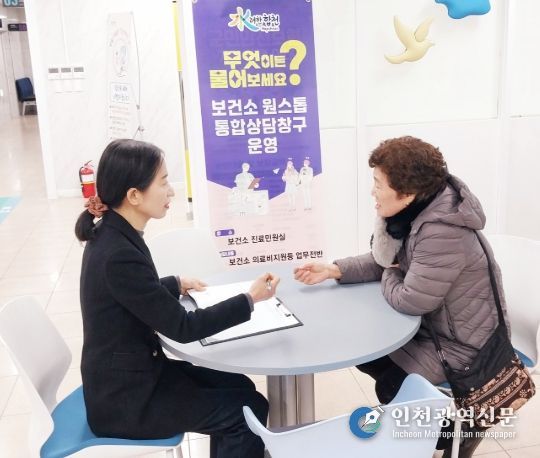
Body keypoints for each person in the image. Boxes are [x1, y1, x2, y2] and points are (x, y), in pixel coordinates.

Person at [294, 136, 510, 457]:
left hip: (465, 347)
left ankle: (457, 433)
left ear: (406, 193)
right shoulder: (419, 210)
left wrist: (392, 273)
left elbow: (411, 299)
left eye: (378, 184)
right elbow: (389, 261)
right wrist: (334, 270)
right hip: (437, 330)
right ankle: (423, 407)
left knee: (391, 385)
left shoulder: (442, 231)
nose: (373, 192)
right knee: (365, 353)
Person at [75, 139, 278, 458]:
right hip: (127, 402)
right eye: (164, 182)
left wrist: (174, 283)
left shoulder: (112, 233)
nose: (171, 191)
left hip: (133, 377)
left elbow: (132, 291)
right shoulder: (118, 253)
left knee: (241, 387)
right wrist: (249, 299)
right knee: (247, 411)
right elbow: (184, 327)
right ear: (134, 195)